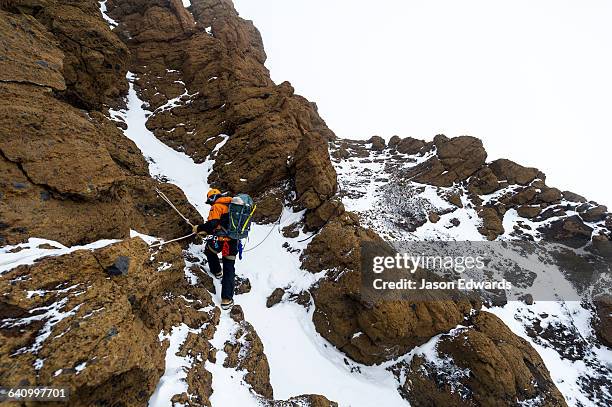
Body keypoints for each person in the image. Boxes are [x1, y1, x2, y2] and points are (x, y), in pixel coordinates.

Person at [193, 188, 238, 310]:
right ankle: (226, 300)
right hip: (233, 242)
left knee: (209, 250)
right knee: (229, 267)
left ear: (212, 198)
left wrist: (199, 228)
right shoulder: (233, 204)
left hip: (220, 241)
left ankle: (217, 271)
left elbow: (212, 224)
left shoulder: (217, 206)